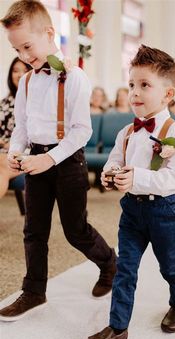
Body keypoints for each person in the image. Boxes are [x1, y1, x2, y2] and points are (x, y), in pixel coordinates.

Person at [0, 0, 116, 322]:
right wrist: (15, 151)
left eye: (27, 46)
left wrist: (48, 159)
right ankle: (34, 291)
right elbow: (21, 127)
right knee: (33, 230)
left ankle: (109, 263)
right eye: (16, 49)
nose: (23, 56)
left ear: (49, 33)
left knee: (74, 230)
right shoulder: (26, 81)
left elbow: (82, 131)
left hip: (67, 162)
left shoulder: (74, 77)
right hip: (35, 159)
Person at [87, 45, 175, 339]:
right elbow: (114, 160)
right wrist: (110, 174)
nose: (134, 92)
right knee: (125, 269)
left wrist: (139, 177)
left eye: (145, 85)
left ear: (167, 94)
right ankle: (118, 327)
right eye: (132, 84)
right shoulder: (126, 132)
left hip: (164, 212)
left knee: (170, 265)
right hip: (131, 211)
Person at [0, 57, 31, 198]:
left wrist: (9, 146)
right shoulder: (4, 102)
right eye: (15, 71)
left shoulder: (37, 101)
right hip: (3, 150)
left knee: (3, 168)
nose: (19, 75)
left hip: (26, 153)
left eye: (25, 70)